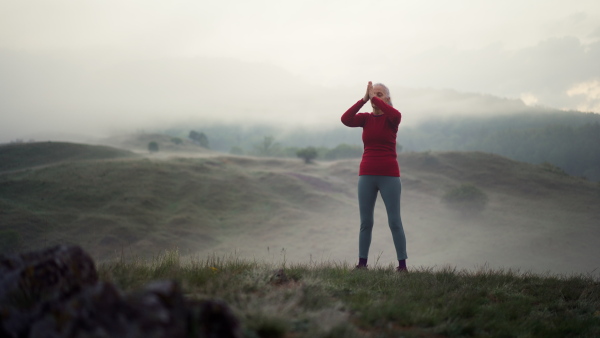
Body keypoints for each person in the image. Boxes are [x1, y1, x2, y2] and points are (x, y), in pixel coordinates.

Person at [341, 81, 407, 272]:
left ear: (387, 98)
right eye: (372, 93)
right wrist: (363, 99)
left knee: (394, 221)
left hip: (390, 175)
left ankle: (402, 266)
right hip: (366, 175)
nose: (374, 97)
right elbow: (345, 119)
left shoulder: (392, 118)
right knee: (366, 222)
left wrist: (377, 99)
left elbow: (395, 114)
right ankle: (362, 264)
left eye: (379, 94)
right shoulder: (365, 119)